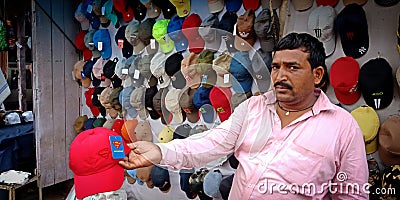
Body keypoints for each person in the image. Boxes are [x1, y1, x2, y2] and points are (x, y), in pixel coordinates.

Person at [119, 32, 368, 199]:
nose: (280, 76)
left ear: (317, 75)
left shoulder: (342, 127)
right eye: (276, 67)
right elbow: (211, 143)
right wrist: (161, 152)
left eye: (292, 67)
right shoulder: (253, 108)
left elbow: (352, 194)